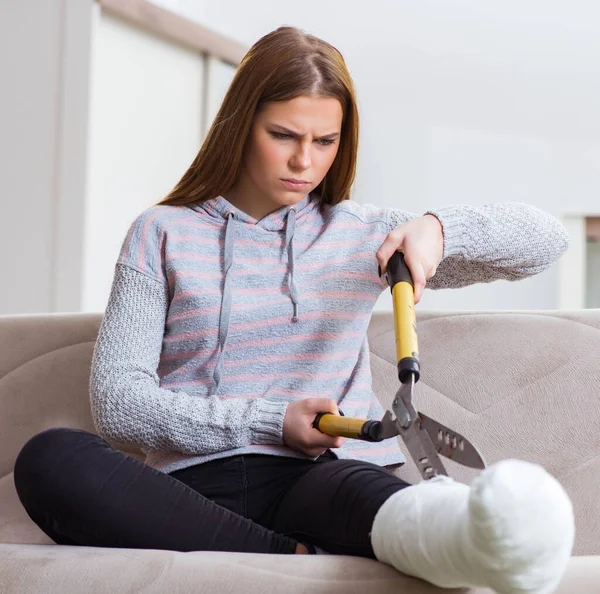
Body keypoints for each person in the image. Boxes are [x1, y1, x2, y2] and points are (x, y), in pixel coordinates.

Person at [13, 26, 574, 593]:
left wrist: (438, 229)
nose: (304, 162)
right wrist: (267, 421)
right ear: (240, 125)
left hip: (323, 476)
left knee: (368, 496)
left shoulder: (366, 236)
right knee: (50, 458)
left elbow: (545, 240)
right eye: (282, 135)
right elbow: (117, 404)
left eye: (325, 142)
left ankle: (488, 541)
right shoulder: (160, 233)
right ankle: (287, 557)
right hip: (188, 488)